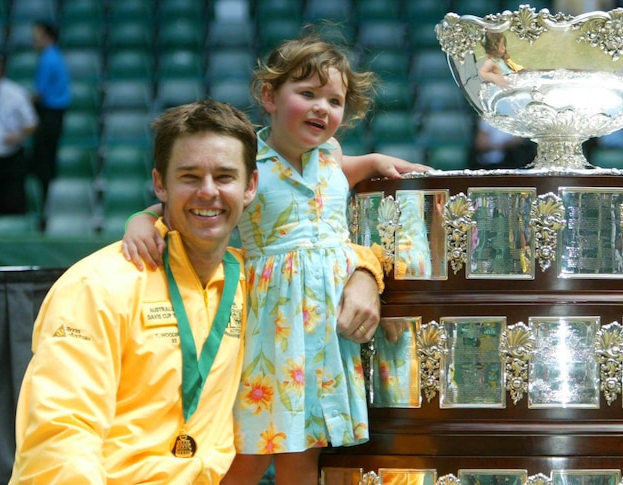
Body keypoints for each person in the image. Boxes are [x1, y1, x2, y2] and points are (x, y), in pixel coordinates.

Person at [121, 33, 430, 485]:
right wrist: (139, 221)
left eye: (335, 100)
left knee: (309, 443)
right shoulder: (250, 163)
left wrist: (379, 160)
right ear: (269, 96)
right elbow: (175, 205)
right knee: (259, 445)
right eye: (307, 94)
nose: (322, 108)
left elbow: (348, 168)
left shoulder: (331, 154)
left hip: (329, 327)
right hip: (274, 322)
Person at [10, 100, 260, 483]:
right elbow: (62, 435)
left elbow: (328, 266)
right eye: (190, 176)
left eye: (225, 176)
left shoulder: (256, 282)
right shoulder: (96, 286)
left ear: (250, 187)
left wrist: (364, 271)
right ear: (160, 183)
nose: (208, 192)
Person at [29, 20, 71, 215]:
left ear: (48, 37)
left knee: (44, 162)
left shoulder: (48, 59)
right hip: (54, 114)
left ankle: (44, 206)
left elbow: (40, 93)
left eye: (38, 35)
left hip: (49, 114)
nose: (34, 40)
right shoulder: (55, 56)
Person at [0, 52, 38, 215]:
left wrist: (18, 136)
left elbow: (32, 123)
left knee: (13, 202)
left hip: (12, 157)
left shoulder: (16, 93)